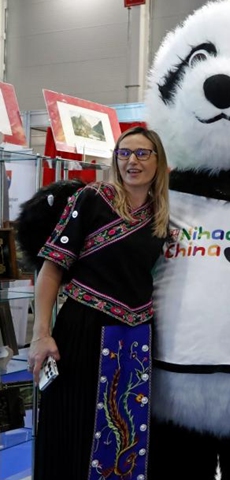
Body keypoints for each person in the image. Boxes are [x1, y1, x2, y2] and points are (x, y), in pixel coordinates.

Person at [27, 126, 170, 480]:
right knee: (73, 429)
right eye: (123, 153)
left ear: (158, 161)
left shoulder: (162, 216)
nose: (131, 161)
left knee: (126, 438)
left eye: (141, 153)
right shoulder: (91, 198)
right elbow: (50, 270)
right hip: (82, 332)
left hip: (135, 340)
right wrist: (41, 333)